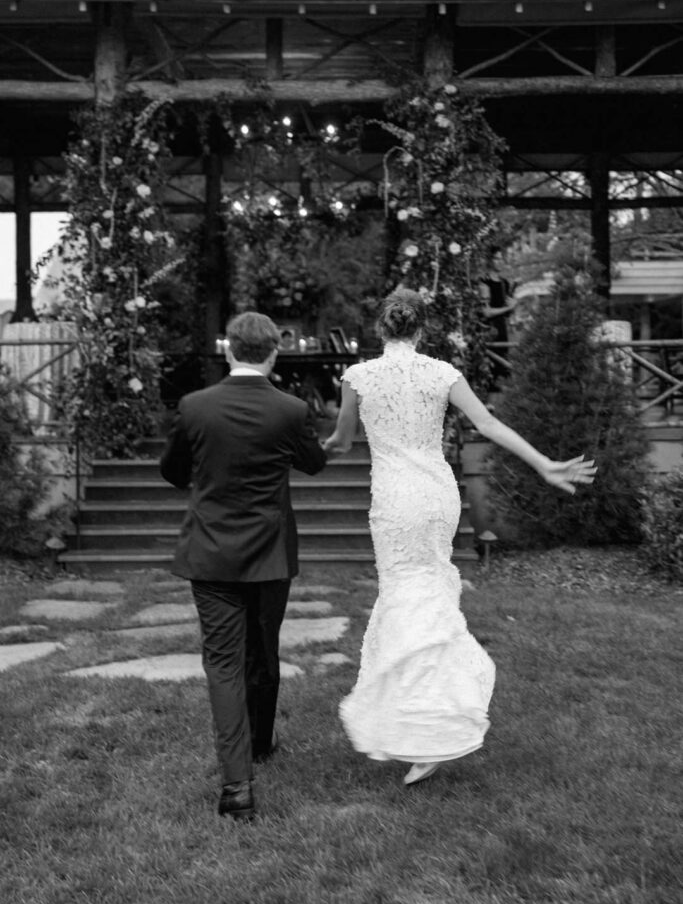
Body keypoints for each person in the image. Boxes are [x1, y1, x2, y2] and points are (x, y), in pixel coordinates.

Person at [323, 289, 596, 787]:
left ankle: (421, 722)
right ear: (421, 330)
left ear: (380, 330)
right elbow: (488, 424)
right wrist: (544, 464)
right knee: (428, 593)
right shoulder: (443, 374)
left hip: (395, 498)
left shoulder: (358, 378)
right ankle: (430, 718)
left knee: (405, 595)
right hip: (436, 493)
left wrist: (311, 450)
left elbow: (341, 442)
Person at [160, 311, 327, 821]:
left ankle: (239, 785)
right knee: (264, 649)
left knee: (224, 664)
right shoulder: (291, 410)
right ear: (274, 353)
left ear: (229, 349)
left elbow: (172, 472)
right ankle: (258, 743)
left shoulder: (195, 407)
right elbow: (314, 463)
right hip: (271, 553)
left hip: (211, 552)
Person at [479, 252, 517, 388]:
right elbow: (486, 312)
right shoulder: (484, 283)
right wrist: (509, 308)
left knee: (503, 371)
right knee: (490, 371)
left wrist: (512, 305)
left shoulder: (504, 283)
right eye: (496, 258)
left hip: (502, 330)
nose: (500, 261)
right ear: (490, 261)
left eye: (502, 258)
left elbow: (507, 312)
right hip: (488, 330)